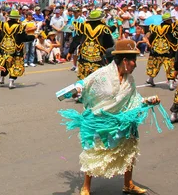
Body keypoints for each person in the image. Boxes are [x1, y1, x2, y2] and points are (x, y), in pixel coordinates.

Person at [59, 40, 171, 195]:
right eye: (133, 61)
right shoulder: (103, 74)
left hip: (122, 122)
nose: (135, 64)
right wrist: (77, 88)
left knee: (128, 151)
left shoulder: (129, 80)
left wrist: (148, 101)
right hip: (101, 121)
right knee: (94, 153)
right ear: (124, 61)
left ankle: (128, 184)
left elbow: (134, 101)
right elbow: (84, 83)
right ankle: (86, 187)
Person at [0, 9, 36, 89]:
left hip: (4, 49)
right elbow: (23, 38)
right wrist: (33, 37)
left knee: (5, 63)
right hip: (16, 50)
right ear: (17, 18)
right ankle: (11, 82)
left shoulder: (3, 25)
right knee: (15, 65)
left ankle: (2, 78)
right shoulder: (19, 27)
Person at [70, 10, 115, 79]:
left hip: (84, 58)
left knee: (84, 80)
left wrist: (70, 51)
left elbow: (76, 39)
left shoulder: (83, 27)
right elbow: (109, 43)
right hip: (98, 59)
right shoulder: (103, 28)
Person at [145, 12, 178, 90]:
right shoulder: (171, 28)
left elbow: (151, 37)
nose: (171, 21)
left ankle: (150, 79)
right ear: (168, 20)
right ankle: (171, 83)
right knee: (170, 66)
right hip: (168, 50)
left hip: (156, 49)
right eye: (170, 19)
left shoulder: (155, 28)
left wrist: (151, 46)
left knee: (154, 64)